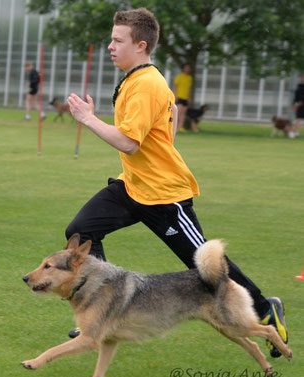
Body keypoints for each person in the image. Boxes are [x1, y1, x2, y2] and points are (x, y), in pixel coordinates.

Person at [65, 8, 288, 357]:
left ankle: (264, 309)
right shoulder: (136, 79)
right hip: (132, 186)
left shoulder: (146, 84)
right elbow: (161, 133)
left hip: (164, 197)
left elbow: (129, 142)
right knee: (82, 231)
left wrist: (88, 119)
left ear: (140, 45)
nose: (110, 45)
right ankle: (100, 311)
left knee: (206, 267)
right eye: (111, 38)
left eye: (117, 40)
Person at [173, 63, 193, 132]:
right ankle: (174, 127)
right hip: (179, 97)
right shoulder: (179, 77)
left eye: (189, 68)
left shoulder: (189, 78)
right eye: (186, 67)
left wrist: (189, 98)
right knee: (178, 112)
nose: (188, 69)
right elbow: (175, 87)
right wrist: (175, 96)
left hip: (185, 98)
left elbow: (189, 89)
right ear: (183, 68)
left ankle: (180, 127)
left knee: (183, 113)